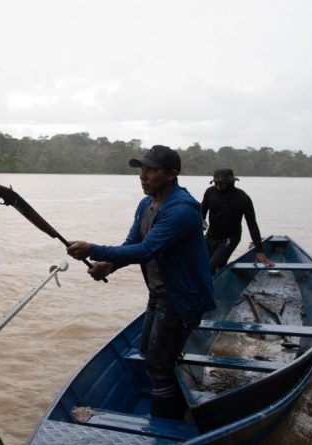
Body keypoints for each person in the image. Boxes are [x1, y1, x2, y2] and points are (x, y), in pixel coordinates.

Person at [66, 145, 215, 420]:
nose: (143, 176)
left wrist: (92, 249)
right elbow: (132, 244)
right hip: (160, 293)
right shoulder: (146, 204)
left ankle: (163, 423)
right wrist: (108, 264)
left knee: (158, 362)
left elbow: (146, 251)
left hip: (182, 296)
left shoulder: (181, 210)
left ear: (172, 174)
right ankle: (178, 404)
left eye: (151, 170)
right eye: (141, 169)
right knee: (150, 352)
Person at [201, 168, 273, 274]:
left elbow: (252, 225)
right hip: (211, 235)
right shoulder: (210, 192)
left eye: (222, 183)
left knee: (212, 266)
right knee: (200, 263)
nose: (218, 186)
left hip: (230, 237)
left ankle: (213, 285)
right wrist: (201, 220)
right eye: (216, 183)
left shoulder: (242, 198)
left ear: (231, 182)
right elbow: (202, 211)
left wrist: (259, 251)